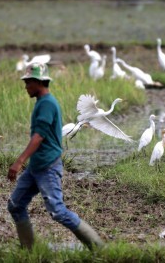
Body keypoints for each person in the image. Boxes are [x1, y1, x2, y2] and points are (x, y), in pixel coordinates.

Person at [7, 62, 104, 250]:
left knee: (58, 211)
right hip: (36, 167)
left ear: (39, 83)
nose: (25, 86)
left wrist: (19, 161)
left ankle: (99, 248)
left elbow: (39, 136)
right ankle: (29, 252)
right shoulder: (41, 103)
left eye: (28, 82)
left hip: (48, 167)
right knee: (15, 205)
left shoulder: (47, 104)